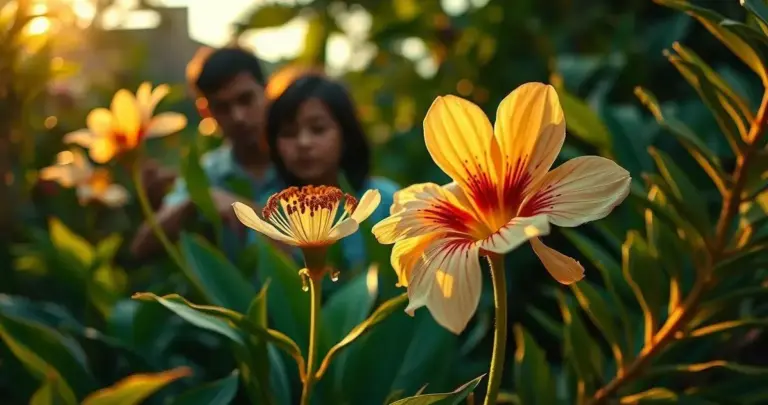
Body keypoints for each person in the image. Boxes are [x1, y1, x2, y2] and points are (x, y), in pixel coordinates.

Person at [130, 47, 280, 259]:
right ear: (205, 111)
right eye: (222, 107)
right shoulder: (208, 173)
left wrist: (242, 209)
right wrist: (197, 201)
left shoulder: (301, 159)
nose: (238, 116)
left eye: (245, 99)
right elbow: (141, 247)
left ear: (267, 91)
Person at [262, 71, 400, 271]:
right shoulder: (271, 213)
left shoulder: (387, 202)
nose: (303, 143)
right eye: (288, 133)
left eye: (318, 129)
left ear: (346, 135)